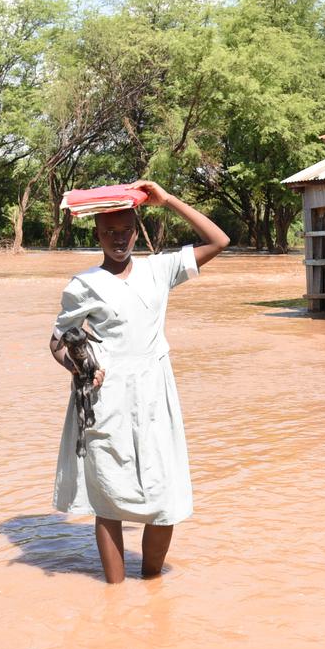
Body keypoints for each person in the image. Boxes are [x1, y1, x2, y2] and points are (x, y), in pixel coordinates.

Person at [49, 180, 229, 584]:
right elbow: (58, 343)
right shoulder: (83, 286)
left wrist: (168, 200)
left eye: (126, 229)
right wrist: (79, 367)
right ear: (97, 233)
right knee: (109, 499)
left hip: (155, 394)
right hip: (105, 395)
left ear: (137, 228)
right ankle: (115, 602)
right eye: (110, 232)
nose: (119, 239)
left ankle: (152, 587)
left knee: (164, 498)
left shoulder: (159, 269)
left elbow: (219, 239)